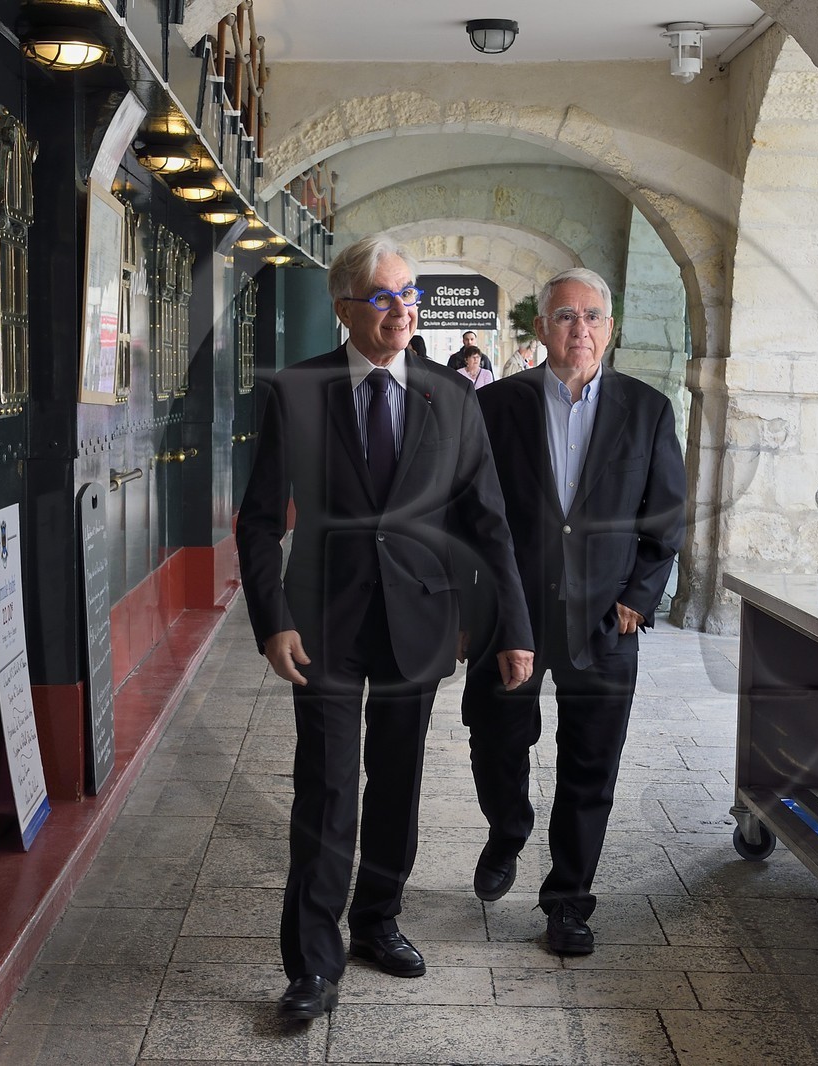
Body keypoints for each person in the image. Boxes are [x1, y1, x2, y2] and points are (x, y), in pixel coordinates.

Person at [236, 234, 535, 1021]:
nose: (402, 310)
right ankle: (312, 964)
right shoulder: (297, 391)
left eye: (410, 295)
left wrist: (512, 627)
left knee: (397, 781)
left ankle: (376, 921)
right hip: (321, 623)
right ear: (344, 308)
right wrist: (271, 620)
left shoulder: (452, 396)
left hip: (421, 620)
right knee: (326, 787)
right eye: (383, 297)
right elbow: (260, 519)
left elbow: (488, 522)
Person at [460, 267, 686, 955]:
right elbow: (467, 514)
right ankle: (508, 827)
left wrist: (638, 599)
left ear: (609, 329)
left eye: (591, 316)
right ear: (541, 329)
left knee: (591, 764)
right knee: (495, 736)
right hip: (514, 612)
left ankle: (568, 901)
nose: (579, 328)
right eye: (565, 316)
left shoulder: (648, 410)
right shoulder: (495, 405)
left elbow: (666, 519)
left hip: (605, 618)